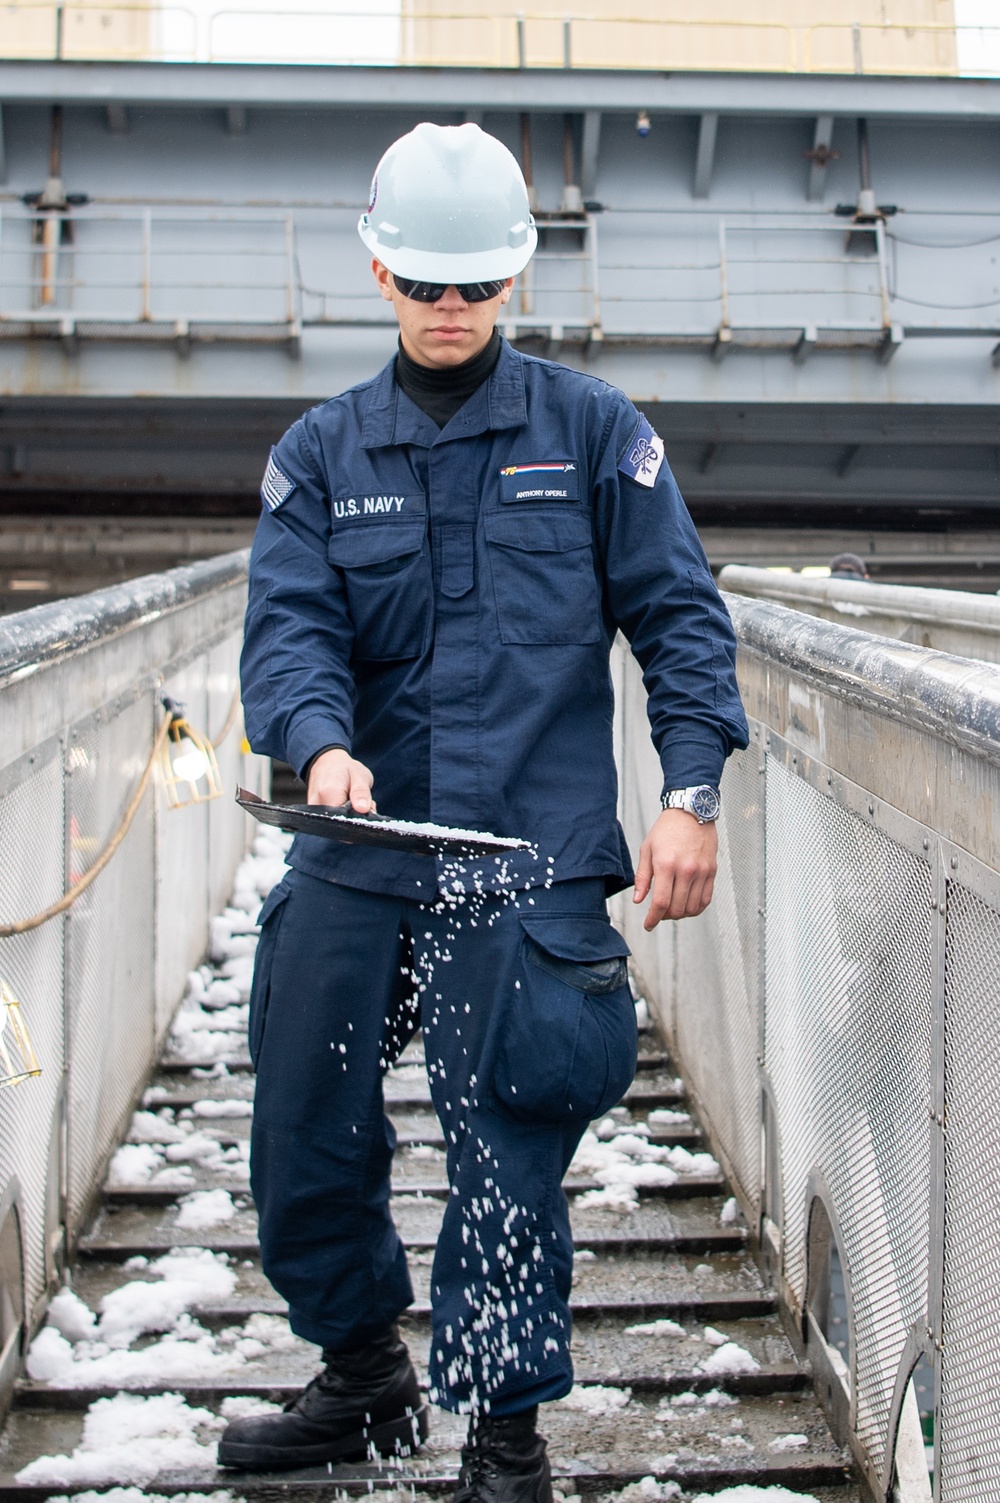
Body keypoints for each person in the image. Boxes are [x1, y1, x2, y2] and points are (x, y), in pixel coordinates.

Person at [223, 122, 748, 1502]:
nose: (449, 310)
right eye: (423, 284)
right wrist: (319, 746)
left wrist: (690, 795)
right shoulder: (320, 455)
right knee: (302, 1122)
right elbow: (286, 635)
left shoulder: (595, 436)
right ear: (380, 272)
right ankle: (363, 1374)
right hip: (364, 850)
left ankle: (504, 1436)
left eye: (475, 288)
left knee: (508, 1147)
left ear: (514, 281)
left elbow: (683, 625)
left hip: (530, 867)